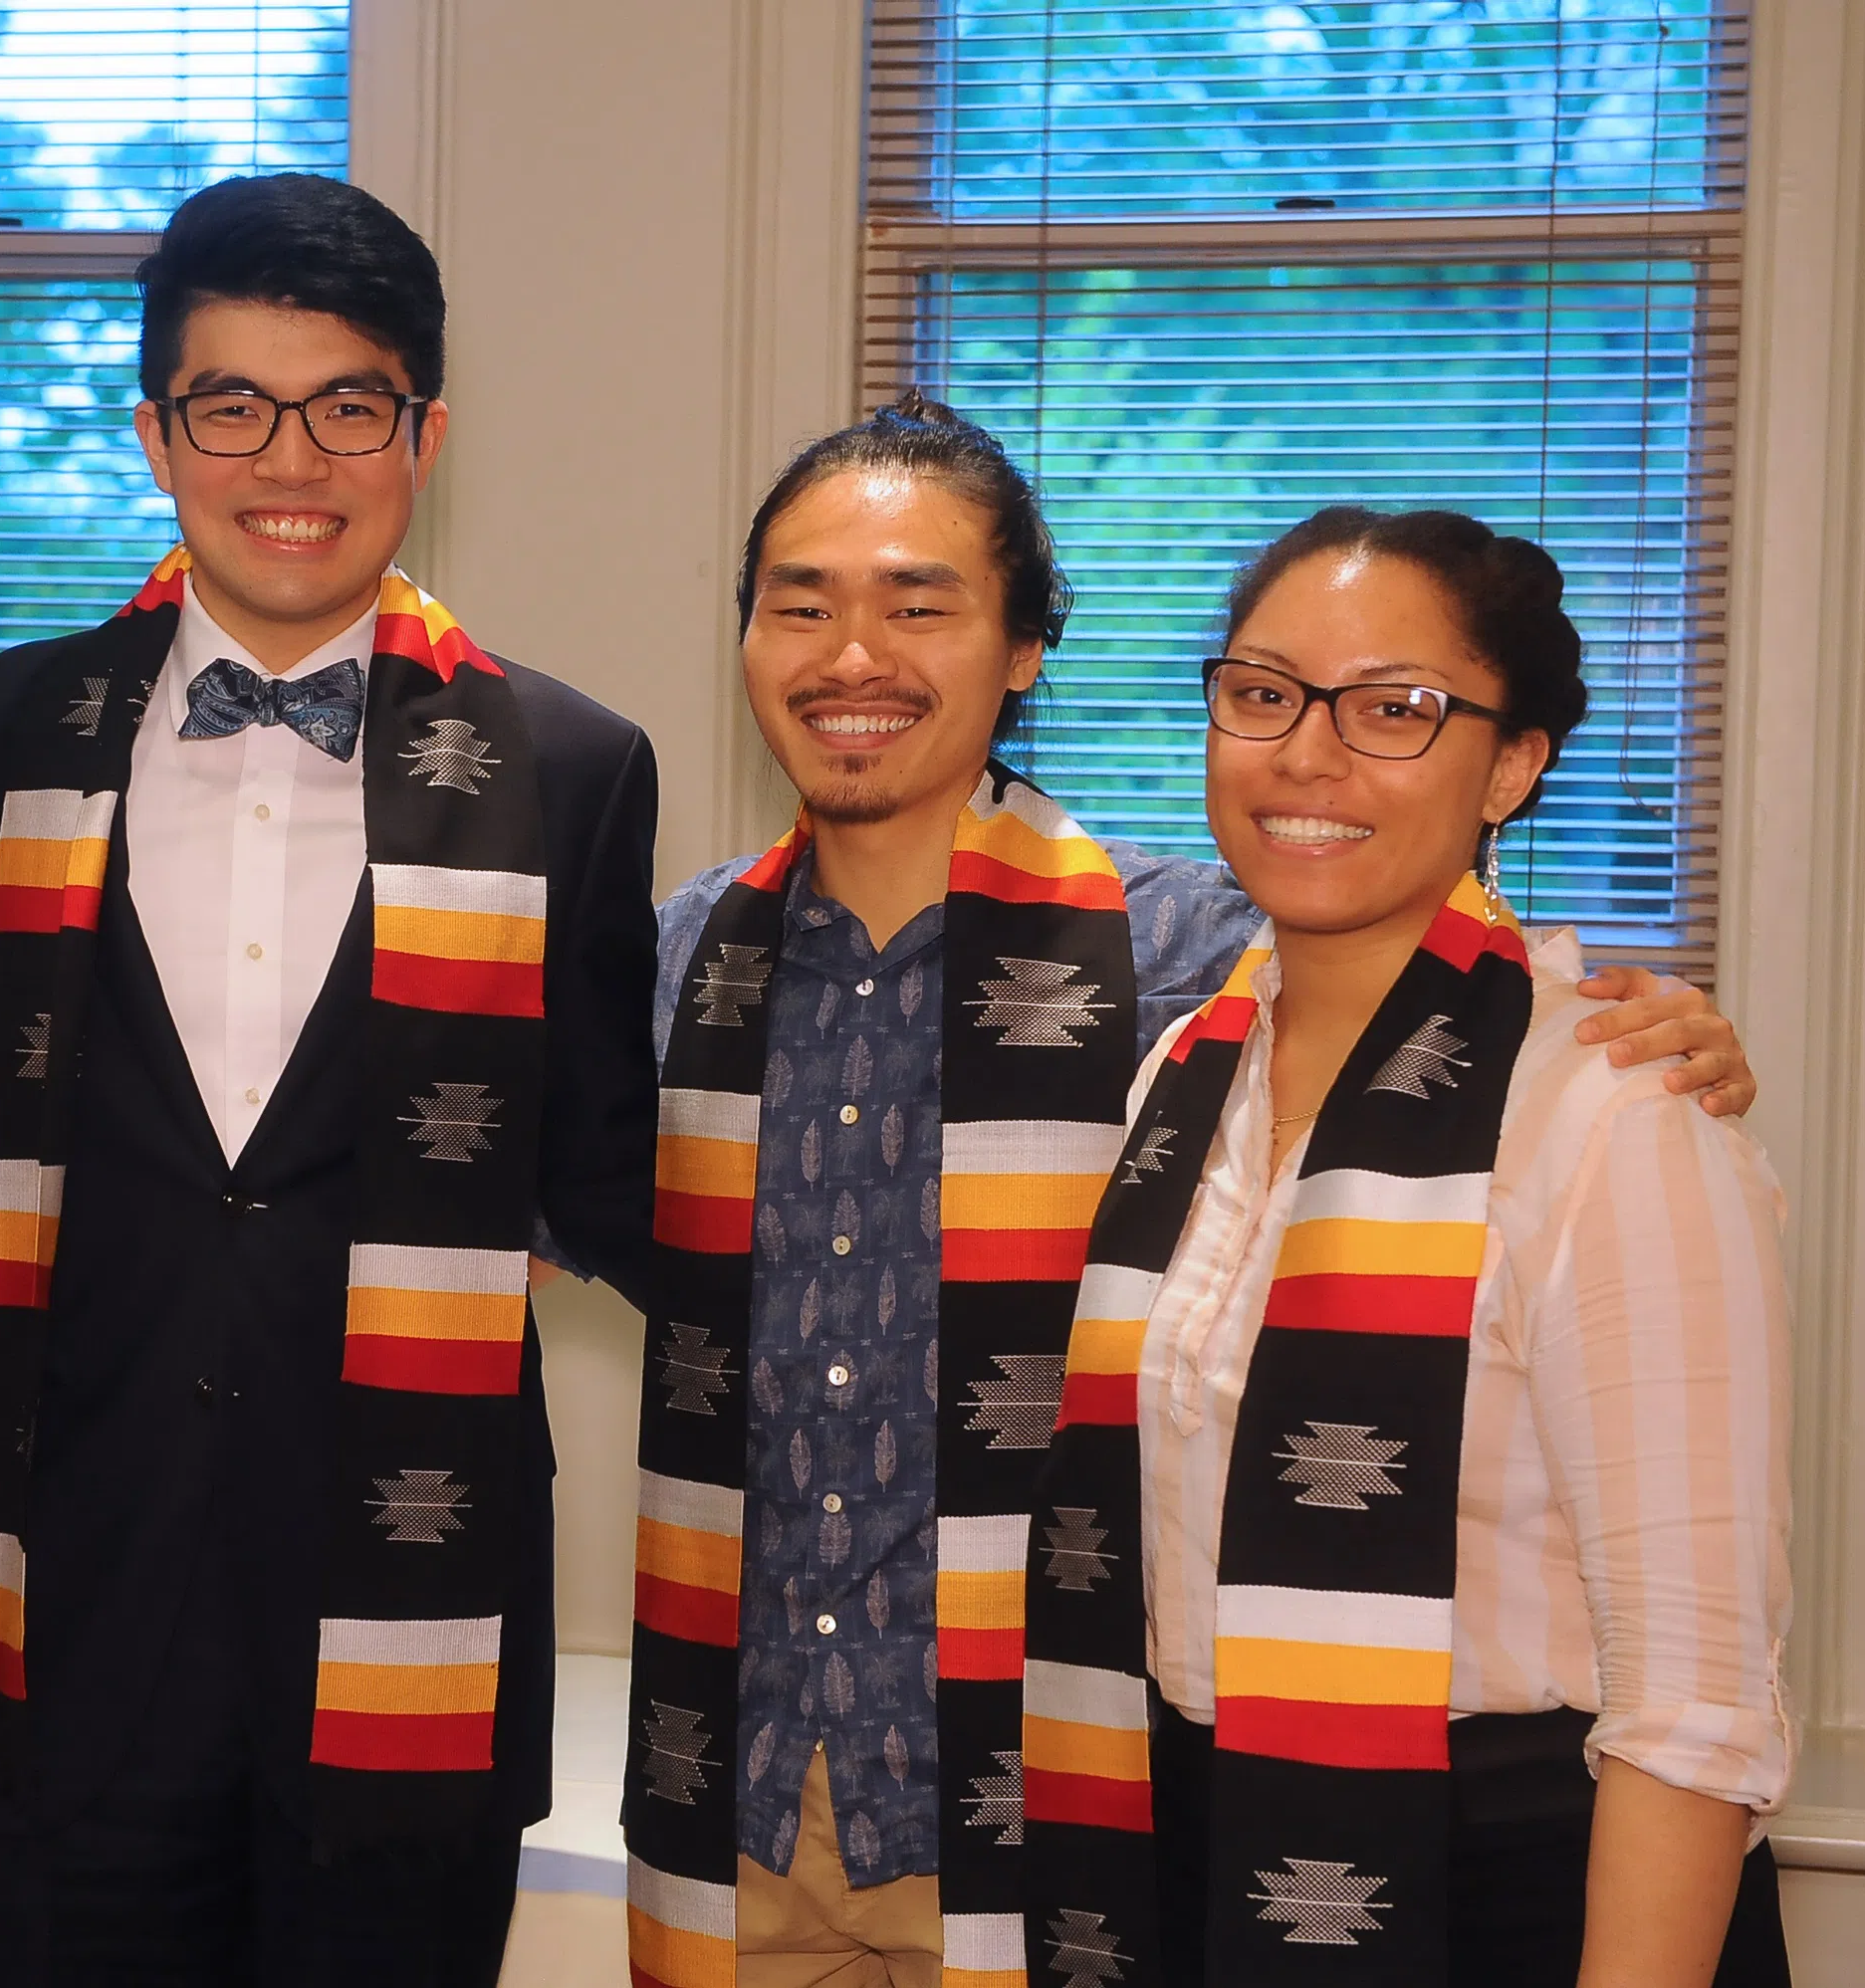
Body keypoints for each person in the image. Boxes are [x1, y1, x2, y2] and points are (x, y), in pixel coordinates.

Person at [619, 402, 1759, 1988]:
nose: (851, 654)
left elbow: (1399, 921)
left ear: (1028, 647)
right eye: (799, 603)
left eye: (921, 604)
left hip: (1054, 1822)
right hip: (731, 1797)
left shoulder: (1174, 961)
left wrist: (1663, 1032)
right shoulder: (673, 964)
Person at [0, 172, 659, 1983]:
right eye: (230, 405)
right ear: (157, 433)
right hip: (62, 1607)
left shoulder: (575, 766)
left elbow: (619, 1165)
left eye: (346, 406)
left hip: (412, 1611)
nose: (287, 458)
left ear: (424, 433)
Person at [1019, 507, 1792, 1985]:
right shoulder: (1187, 1072)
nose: (1307, 755)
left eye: (1396, 711)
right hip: (1198, 1867)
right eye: (1263, 694)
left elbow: (1697, 1699)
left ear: (1513, 762)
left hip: (1514, 1902)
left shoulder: (1615, 1116)